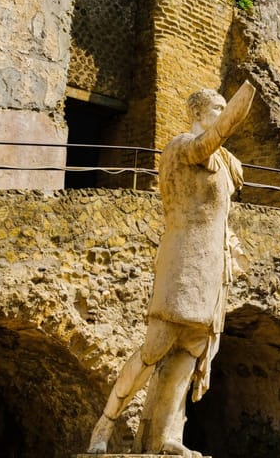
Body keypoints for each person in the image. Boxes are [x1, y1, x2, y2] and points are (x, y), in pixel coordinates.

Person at [87, 82, 255, 458]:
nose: (222, 114)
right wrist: (234, 115)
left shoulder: (227, 163)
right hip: (183, 257)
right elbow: (206, 144)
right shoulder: (182, 147)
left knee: (189, 353)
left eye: (224, 108)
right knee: (155, 348)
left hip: (212, 266)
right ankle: (106, 422)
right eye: (216, 109)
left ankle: (167, 436)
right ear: (197, 113)